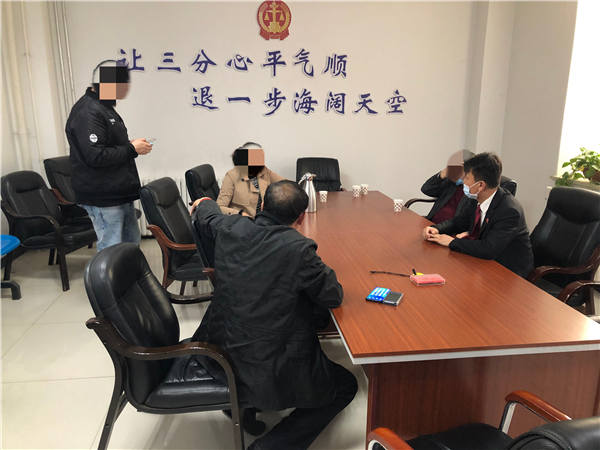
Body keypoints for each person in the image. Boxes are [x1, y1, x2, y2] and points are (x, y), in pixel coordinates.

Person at [190, 180, 357, 450]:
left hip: (218, 349)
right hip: (266, 363)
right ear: (301, 217)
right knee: (345, 385)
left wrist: (204, 202)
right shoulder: (299, 249)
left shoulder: (231, 227)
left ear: (262, 205)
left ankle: (239, 407)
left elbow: (209, 217)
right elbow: (332, 296)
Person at [65, 59, 152, 251]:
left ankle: (128, 272)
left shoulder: (103, 107)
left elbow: (106, 145)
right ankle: (111, 273)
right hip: (103, 196)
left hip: (118, 192)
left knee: (130, 244)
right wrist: (132, 149)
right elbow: (95, 155)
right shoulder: (88, 111)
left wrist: (130, 145)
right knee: (112, 248)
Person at [422, 153, 534, 278]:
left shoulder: (509, 211)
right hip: (484, 262)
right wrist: (437, 228)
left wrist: (452, 242)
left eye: (466, 178)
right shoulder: (477, 197)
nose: (463, 181)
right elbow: (459, 222)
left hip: (509, 273)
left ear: (480, 185)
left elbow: (489, 248)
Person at [216, 142, 285, 217]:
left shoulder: (264, 170)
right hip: (243, 220)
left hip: (264, 217)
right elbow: (220, 207)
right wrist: (240, 213)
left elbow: (285, 184)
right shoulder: (231, 176)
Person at [421, 149, 476, 224]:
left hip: (449, 228)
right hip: (431, 222)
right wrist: (442, 174)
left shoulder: (474, 190)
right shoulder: (451, 181)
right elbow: (426, 189)